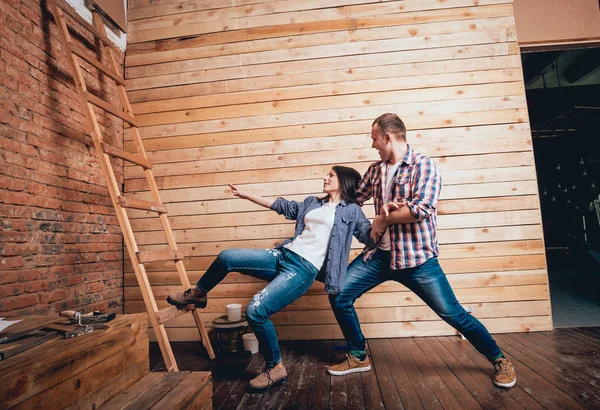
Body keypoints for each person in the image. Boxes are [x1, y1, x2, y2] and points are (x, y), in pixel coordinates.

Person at [326, 113, 517, 389]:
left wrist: (384, 218)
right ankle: (358, 354)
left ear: (388, 136)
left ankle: (499, 359)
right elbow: (354, 197)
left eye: (374, 139)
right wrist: (329, 194)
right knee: (339, 293)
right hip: (379, 256)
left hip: (417, 260)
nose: (373, 145)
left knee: (454, 315)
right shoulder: (376, 170)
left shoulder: (423, 166)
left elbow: (422, 209)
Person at [167, 166, 375, 391]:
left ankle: (275, 368)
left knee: (255, 310)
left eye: (331, 175)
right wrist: (247, 195)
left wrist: (384, 221)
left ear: (343, 180)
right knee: (227, 257)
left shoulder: (352, 211)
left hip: (303, 269)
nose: (325, 177)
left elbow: (367, 235)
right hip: (283, 255)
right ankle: (198, 294)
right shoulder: (313, 202)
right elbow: (282, 206)